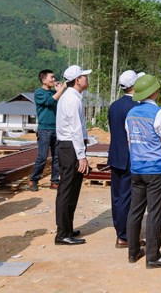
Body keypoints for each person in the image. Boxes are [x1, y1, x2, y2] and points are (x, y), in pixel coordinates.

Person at [125, 74, 161, 268]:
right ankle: (153, 257)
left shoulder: (131, 114)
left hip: (137, 168)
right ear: (155, 92)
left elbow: (130, 142)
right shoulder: (160, 113)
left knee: (135, 211)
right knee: (155, 213)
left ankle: (133, 252)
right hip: (156, 169)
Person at [54, 64, 91, 245]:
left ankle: (67, 228)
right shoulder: (72, 99)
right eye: (84, 76)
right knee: (67, 189)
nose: (87, 79)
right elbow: (75, 130)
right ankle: (62, 233)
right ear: (77, 80)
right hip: (70, 147)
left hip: (69, 146)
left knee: (71, 189)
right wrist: (81, 155)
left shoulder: (71, 96)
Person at [107, 70, 142, 248]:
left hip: (115, 155)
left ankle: (120, 231)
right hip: (130, 157)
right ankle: (124, 235)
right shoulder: (136, 106)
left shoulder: (114, 106)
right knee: (127, 197)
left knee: (117, 196)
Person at [29, 69, 67, 191]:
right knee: (42, 157)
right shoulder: (39, 93)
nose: (54, 79)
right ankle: (33, 180)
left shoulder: (55, 93)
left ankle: (55, 181)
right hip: (44, 130)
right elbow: (50, 102)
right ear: (44, 80)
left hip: (57, 129)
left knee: (57, 157)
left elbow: (63, 103)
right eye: (52, 77)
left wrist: (60, 91)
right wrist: (61, 90)